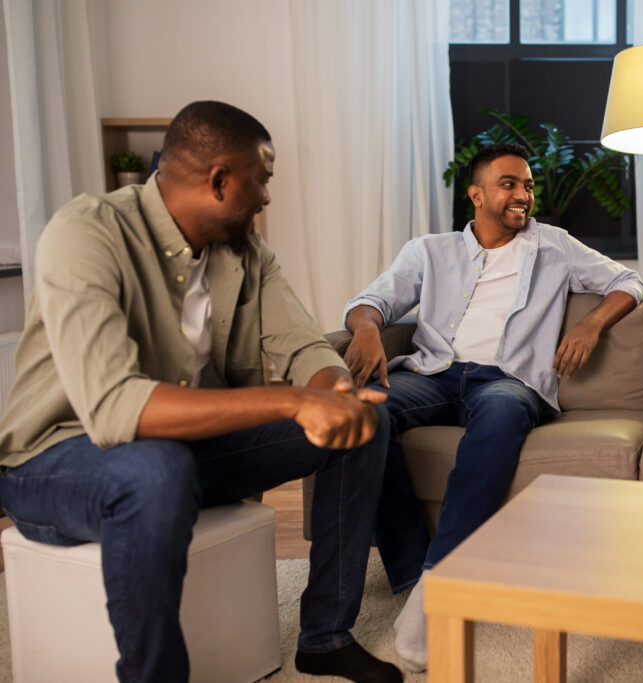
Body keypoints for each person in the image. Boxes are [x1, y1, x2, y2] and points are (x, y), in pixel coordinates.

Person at [0, 101, 401, 683]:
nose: (267, 196)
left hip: (180, 455)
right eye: (262, 180)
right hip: (57, 462)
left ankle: (325, 637)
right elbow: (115, 407)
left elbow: (304, 347)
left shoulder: (246, 252)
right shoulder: (86, 232)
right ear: (219, 181)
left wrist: (336, 394)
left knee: (365, 423)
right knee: (154, 469)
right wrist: (293, 400)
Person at [343, 143, 643, 672]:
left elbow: (628, 281)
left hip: (509, 380)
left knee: (503, 413)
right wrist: (367, 328)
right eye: (509, 184)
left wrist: (591, 324)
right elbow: (373, 300)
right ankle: (413, 574)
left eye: (528, 185)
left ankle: (440, 583)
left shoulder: (553, 245)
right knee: (365, 411)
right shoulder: (429, 250)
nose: (523, 194)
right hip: (433, 374)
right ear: (476, 194)